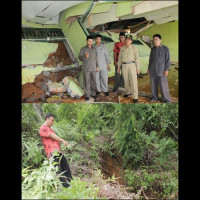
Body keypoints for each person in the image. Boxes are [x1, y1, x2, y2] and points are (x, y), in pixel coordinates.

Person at [39, 113, 72, 187]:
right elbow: (52, 135)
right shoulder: (43, 128)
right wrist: (63, 140)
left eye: (53, 121)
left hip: (58, 151)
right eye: (52, 120)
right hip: (52, 152)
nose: (52, 123)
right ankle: (66, 186)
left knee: (65, 166)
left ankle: (71, 182)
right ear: (47, 119)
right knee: (58, 169)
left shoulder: (50, 129)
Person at [148, 34, 171, 103]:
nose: (154, 41)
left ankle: (166, 99)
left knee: (163, 85)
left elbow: (167, 60)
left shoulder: (165, 48)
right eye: (154, 40)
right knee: (153, 84)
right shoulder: (152, 49)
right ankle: (154, 97)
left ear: (160, 40)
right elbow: (150, 60)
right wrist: (149, 68)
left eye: (156, 39)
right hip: (153, 69)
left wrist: (166, 69)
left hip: (161, 70)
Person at [118, 34, 140, 103]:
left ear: (131, 41)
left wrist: (138, 68)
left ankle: (135, 96)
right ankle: (127, 92)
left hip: (132, 65)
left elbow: (137, 59)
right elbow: (120, 58)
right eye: (126, 39)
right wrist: (119, 67)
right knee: (126, 80)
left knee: (133, 81)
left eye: (129, 40)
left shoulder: (134, 48)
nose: (127, 41)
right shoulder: (122, 48)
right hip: (124, 66)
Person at [79, 35, 99, 101]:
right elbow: (80, 58)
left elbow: (96, 58)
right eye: (89, 41)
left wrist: (97, 66)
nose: (90, 42)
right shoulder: (83, 49)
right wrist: (85, 56)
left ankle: (93, 93)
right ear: (86, 41)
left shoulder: (94, 49)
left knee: (93, 81)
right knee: (87, 81)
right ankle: (87, 94)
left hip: (93, 68)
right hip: (86, 68)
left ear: (92, 41)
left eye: (91, 41)